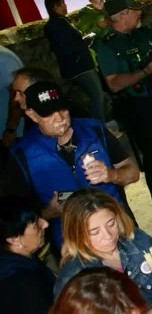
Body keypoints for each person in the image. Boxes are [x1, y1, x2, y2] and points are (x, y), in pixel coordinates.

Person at [8, 81, 140, 250]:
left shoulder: (94, 130)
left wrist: (111, 175)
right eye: (48, 114)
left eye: (62, 109)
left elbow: (133, 172)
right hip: (72, 246)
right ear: (32, 115)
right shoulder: (21, 155)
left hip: (119, 231)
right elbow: (17, 216)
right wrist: (50, 211)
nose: (60, 118)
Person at [94, 0, 152, 223]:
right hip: (137, 106)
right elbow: (113, 83)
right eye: (135, 10)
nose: (140, 13)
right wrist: (145, 73)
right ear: (123, 15)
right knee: (151, 157)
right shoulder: (106, 46)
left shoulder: (145, 34)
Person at [0, 200, 54, 314]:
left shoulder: (15, 262)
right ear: (14, 239)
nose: (45, 224)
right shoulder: (19, 279)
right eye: (36, 224)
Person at [43, 0, 106, 122]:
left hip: (76, 66)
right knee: (97, 95)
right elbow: (68, 47)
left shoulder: (58, 23)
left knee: (95, 96)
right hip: (80, 66)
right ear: (54, 7)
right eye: (61, 4)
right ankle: (99, 128)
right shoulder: (58, 25)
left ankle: (98, 126)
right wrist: (87, 39)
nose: (65, 6)